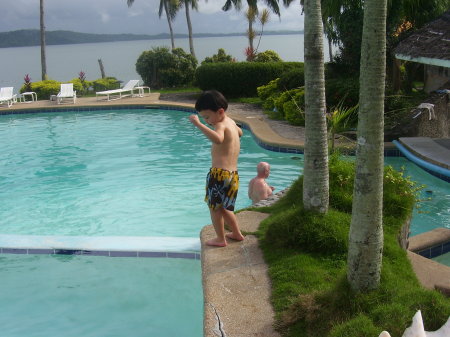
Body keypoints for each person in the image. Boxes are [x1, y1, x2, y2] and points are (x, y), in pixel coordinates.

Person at [189, 90, 245, 247]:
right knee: (226, 208)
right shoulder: (231, 123)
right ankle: (236, 233)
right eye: (203, 118)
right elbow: (239, 133)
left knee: (215, 209)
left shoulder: (220, 125)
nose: (206, 121)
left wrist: (198, 124)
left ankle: (220, 239)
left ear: (220, 111)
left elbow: (219, 139)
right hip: (232, 175)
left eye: (207, 117)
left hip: (219, 175)